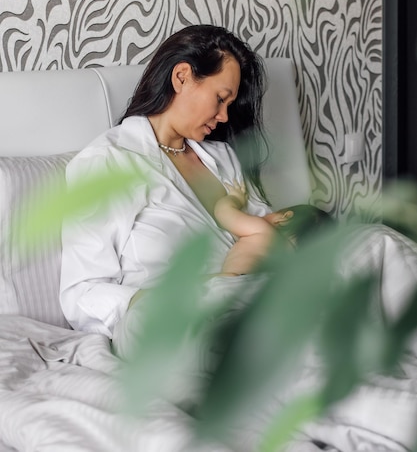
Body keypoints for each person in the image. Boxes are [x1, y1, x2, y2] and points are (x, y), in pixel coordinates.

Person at [59, 24, 276, 339]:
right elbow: (82, 295)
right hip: (180, 321)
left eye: (229, 105)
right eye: (220, 98)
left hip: (253, 304)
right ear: (182, 77)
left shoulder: (223, 157)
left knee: (370, 247)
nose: (225, 117)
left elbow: (270, 234)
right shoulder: (108, 164)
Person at [214, 180, 333, 275]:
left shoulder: (263, 229)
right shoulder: (289, 264)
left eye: (272, 213)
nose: (265, 214)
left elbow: (223, 213)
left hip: (238, 280)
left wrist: (236, 198)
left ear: (284, 219)